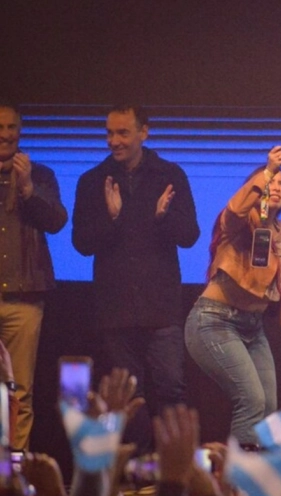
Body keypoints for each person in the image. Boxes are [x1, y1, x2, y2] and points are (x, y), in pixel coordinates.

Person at [184, 146, 281, 446]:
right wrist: (267, 170)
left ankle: (259, 470)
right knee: (251, 400)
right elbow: (235, 211)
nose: (277, 187)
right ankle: (240, 474)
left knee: (268, 407)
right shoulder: (241, 221)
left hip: (252, 327)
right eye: (271, 181)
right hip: (215, 321)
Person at [72, 104, 200, 452]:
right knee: (129, 397)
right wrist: (111, 218)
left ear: (144, 132)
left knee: (171, 387)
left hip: (161, 308)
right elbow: (81, 243)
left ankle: (173, 465)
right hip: (115, 310)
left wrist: (163, 217)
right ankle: (138, 466)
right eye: (109, 133)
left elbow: (190, 235)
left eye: (122, 133)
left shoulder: (170, 175)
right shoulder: (92, 180)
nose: (114, 141)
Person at [0, 102, 68, 450]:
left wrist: (27, 188)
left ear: (21, 130)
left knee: (19, 391)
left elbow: (57, 221)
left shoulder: (40, 175)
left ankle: (15, 470)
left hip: (24, 300)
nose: (5, 134)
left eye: (11, 127)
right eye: (0, 127)